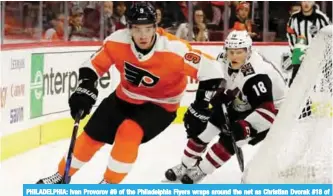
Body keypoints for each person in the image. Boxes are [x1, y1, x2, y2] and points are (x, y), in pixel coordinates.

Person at [36, 2, 224, 184]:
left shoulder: (174, 49)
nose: (143, 35)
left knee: (129, 132)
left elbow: (214, 70)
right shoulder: (117, 41)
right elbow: (93, 65)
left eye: (148, 28)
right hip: (123, 98)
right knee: (92, 135)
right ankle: (62, 175)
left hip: (160, 106)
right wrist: (86, 86)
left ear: (156, 27)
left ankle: (109, 184)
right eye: (137, 29)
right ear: (129, 28)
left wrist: (201, 104)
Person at [165, 30, 288, 184]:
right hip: (244, 101)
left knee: (232, 138)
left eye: (239, 52)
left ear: (249, 51)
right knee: (208, 126)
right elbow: (222, 82)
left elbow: (267, 110)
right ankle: (185, 164)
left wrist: (246, 127)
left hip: (273, 112)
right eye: (231, 52)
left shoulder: (257, 74)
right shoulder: (222, 59)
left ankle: (201, 170)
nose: (234, 56)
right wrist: (210, 101)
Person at [286, 1, 330, 86]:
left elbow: (329, 34)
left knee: (323, 76)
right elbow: (290, 34)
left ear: (313, 2)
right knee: (295, 79)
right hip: (299, 51)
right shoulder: (294, 18)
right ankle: (293, 96)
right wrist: (294, 49)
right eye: (304, 1)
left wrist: (323, 49)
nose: (306, 3)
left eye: (309, 1)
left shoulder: (321, 17)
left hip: (317, 52)